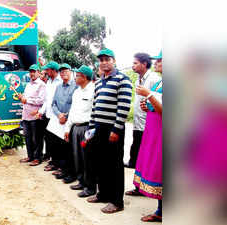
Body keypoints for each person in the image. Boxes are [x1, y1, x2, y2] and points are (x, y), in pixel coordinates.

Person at [86, 48, 132, 214]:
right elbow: (95, 107)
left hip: (113, 129)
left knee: (114, 166)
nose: (104, 62)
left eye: (107, 59)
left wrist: (116, 128)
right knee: (100, 163)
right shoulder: (99, 82)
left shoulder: (123, 80)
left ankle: (117, 201)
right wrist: (91, 128)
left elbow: (124, 106)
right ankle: (103, 194)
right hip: (98, 128)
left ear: (114, 61)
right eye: (101, 59)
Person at [133, 51, 163, 222]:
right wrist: (148, 105)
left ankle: (161, 212)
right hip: (154, 131)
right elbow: (156, 106)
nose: (157, 62)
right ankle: (160, 210)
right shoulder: (159, 83)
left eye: (160, 60)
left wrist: (149, 96)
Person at [63, 65, 96, 194]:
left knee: (88, 159)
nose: (75, 78)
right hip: (76, 128)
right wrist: (67, 128)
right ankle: (81, 182)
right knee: (78, 157)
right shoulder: (77, 92)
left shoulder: (93, 90)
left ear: (85, 77)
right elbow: (72, 112)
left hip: (87, 128)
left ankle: (90, 187)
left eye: (77, 76)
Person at [125, 53, 161, 171]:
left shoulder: (154, 79)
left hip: (149, 125)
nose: (133, 66)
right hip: (138, 123)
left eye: (135, 63)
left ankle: (142, 187)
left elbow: (156, 101)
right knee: (137, 152)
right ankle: (138, 185)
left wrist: (148, 96)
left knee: (146, 157)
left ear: (144, 64)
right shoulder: (138, 80)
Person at [48, 63, 78, 182]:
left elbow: (76, 104)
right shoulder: (58, 87)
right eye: (61, 71)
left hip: (70, 121)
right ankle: (62, 169)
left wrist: (66, 115)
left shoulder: (76, 86)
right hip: (58, 120)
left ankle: (70, 172)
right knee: (58, 146)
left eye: (66, 71)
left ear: (70, 72)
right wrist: (59, 114)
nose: (63, 73)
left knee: (68, 148)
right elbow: (53, 104)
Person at [36, 61, 63, 168]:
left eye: (47, 70)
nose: (46, 71)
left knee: (57, 141)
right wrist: (41, 112)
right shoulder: (49, 82)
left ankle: (57, 163)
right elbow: (47, 100)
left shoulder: (60, 82)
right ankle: (53, 160)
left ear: (53, 70)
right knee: (50, 140)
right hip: (48, 115)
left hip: (57, 116)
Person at [18, 64, 46, 166]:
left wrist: (27, 100)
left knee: (37, 138)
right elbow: (25, 99)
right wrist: (21, 98)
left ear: (39, 72)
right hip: (26, 115)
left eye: (34, 71)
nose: (32, 74)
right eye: (30, 72)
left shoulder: (42, 85)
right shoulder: (28, 84)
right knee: (28, 137)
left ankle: (38, 158)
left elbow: (41, 100)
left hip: (35, 116)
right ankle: (30, 156)